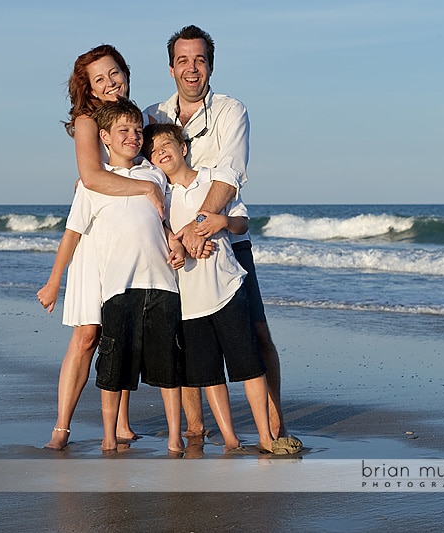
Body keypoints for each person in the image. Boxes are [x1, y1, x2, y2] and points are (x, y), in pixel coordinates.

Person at [144, 26, 300, 448]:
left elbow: (230, 175)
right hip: (173, 246)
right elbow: (139, 177)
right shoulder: (151, 117)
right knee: (186, 338)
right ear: (171, 67)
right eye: (182, 60)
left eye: (199, 60)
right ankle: (196, 429)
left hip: (227, 239)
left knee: (257, 334)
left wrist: (200, 226)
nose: (190, 68)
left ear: (210, 65)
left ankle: (274, 427)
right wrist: (180, 237)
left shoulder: (232, 110)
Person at [37, 44, 162, 450]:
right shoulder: (88, 119)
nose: (110, 83)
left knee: (123, 330)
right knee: (89, 333)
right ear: (87, 87)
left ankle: (122, 422)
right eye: (99, 79)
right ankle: (62, 427)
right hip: (96, 239)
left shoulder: (139, 118)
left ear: (126, 72)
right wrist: (144, 188)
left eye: (115, 73)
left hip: (129, 239)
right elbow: (92, 176)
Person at [60, 97, 184, 452]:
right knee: (113, 365)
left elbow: (165, 219)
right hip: (117, 287)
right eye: (123, 130)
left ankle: (175, 437)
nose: (133, 136)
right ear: (105, 137)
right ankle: (109, 437)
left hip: (162, 282)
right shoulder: (94, 183)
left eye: (137, 130)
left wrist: (175, 240)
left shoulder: (154, 174)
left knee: (167, 366)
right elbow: (74, 232)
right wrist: (55, 282)